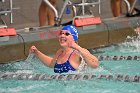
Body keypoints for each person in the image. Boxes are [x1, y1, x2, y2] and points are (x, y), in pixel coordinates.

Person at [29, 25, 99, 74]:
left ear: (73, 37)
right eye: (61, 33)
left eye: (66, 34)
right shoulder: (60, 52)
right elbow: (51, 64)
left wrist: (77, 47)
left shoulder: (78, 52)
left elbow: (95, 64)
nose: (62, 35)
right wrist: (37, 53)